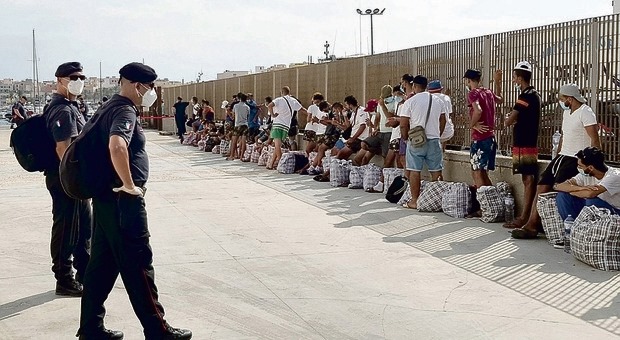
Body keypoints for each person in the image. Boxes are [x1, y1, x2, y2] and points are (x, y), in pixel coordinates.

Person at [77, 62, 192, 339]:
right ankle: (158, 330)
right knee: (139, 263)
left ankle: (91, 327)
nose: (150, 92)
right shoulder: (124, 110)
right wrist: (130, 186)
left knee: (101, 267)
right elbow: (117, 145)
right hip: (122, 202)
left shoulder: (106, 107)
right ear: (134, 85)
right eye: (148, 87)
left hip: (106, 200)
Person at [512, 83, 601, 239]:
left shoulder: (586, 112)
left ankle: (555, 228)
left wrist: (593, 163)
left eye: (562, 98)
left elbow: (595, 139)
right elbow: (564, 136)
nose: (560, 101)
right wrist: (556, 155)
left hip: (576, 159)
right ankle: (532, 224)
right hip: (562, 157)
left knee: (559, 190)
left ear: (570, 99)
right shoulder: (568, 113)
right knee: (542, 186)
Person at [44, 62, 92, 297]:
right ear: (60, 80)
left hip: (74, 179)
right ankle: (64, 278)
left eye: (81, 76)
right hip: (66, 179)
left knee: (84, 227)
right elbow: (63, 148)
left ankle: (85, 273)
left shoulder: (72, 106)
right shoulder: (62, 109)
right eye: (73, 77)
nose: (78, 81)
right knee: (66, 228)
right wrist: (76, 181)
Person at [502, 62, 541, 229]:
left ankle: (525, 216)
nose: (513, 80)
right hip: (527, 141)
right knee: (527, 178)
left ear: (519, 77)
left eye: (514, 77)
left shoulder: (525, 96)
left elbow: (510, 119)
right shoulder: (533, 94)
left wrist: (507, 119)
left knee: (528, 179)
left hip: (525, 142)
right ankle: (526, 215)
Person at [399, 75, 447, 209]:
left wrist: (405, 138)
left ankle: (414, 200)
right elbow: (443, 120)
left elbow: (403, 124)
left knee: (415, 171)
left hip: (416, 140)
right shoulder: (438, 101)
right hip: (434, 139)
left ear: (414, 86)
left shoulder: (410, 101)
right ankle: (438, 201)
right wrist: (438, 133)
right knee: (436, 171)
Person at [464, 69, 503, 190]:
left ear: (468, 80)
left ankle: (482, 203)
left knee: (476, 172)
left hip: (479, 138)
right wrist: (497, 83)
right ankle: (490, 200)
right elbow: (500, 99)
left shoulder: (473, 94)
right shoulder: (488, 92)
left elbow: (478, 110)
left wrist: (472, 125)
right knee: (483, 172)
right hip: (490, 137)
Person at [554, 147, 620, 219]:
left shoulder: (614, 175)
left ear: (591, 168)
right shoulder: (586, 174)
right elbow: (558, 186)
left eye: (581, 166)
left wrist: (571, 191)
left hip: (615, 212)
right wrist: (580, 188)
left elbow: (590, 194)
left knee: (591, 202)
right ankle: (570, 226)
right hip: (594, 208)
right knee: (563, 195)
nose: (578, 168)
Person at [267, 86, 307, 169]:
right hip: (286, 126)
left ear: (282, 92)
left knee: (277, 146)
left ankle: (281, 164)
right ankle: (271, 164)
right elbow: (302, 109)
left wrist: (273, 115)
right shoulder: (293, 100)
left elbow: (269, 106)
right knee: (278, 145)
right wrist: (311, 115)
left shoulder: (279, 99)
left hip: (277, 124)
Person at [427, 80, 454, 150]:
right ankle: (443, 149)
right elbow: (450, 113)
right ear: (441, 89)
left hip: (432, 134)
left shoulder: (428, 99)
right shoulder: (446, 97)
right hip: (448, 132)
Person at [228, 92, 250, 160]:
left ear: (240, 98)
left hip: (237, 125)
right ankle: (241, 156)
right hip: (245, 125)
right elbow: (248, 116)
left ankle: (232, 156)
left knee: (234, 140)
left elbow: (233, 116)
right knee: (244, 142)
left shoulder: (236, 106)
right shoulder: (247, 107)